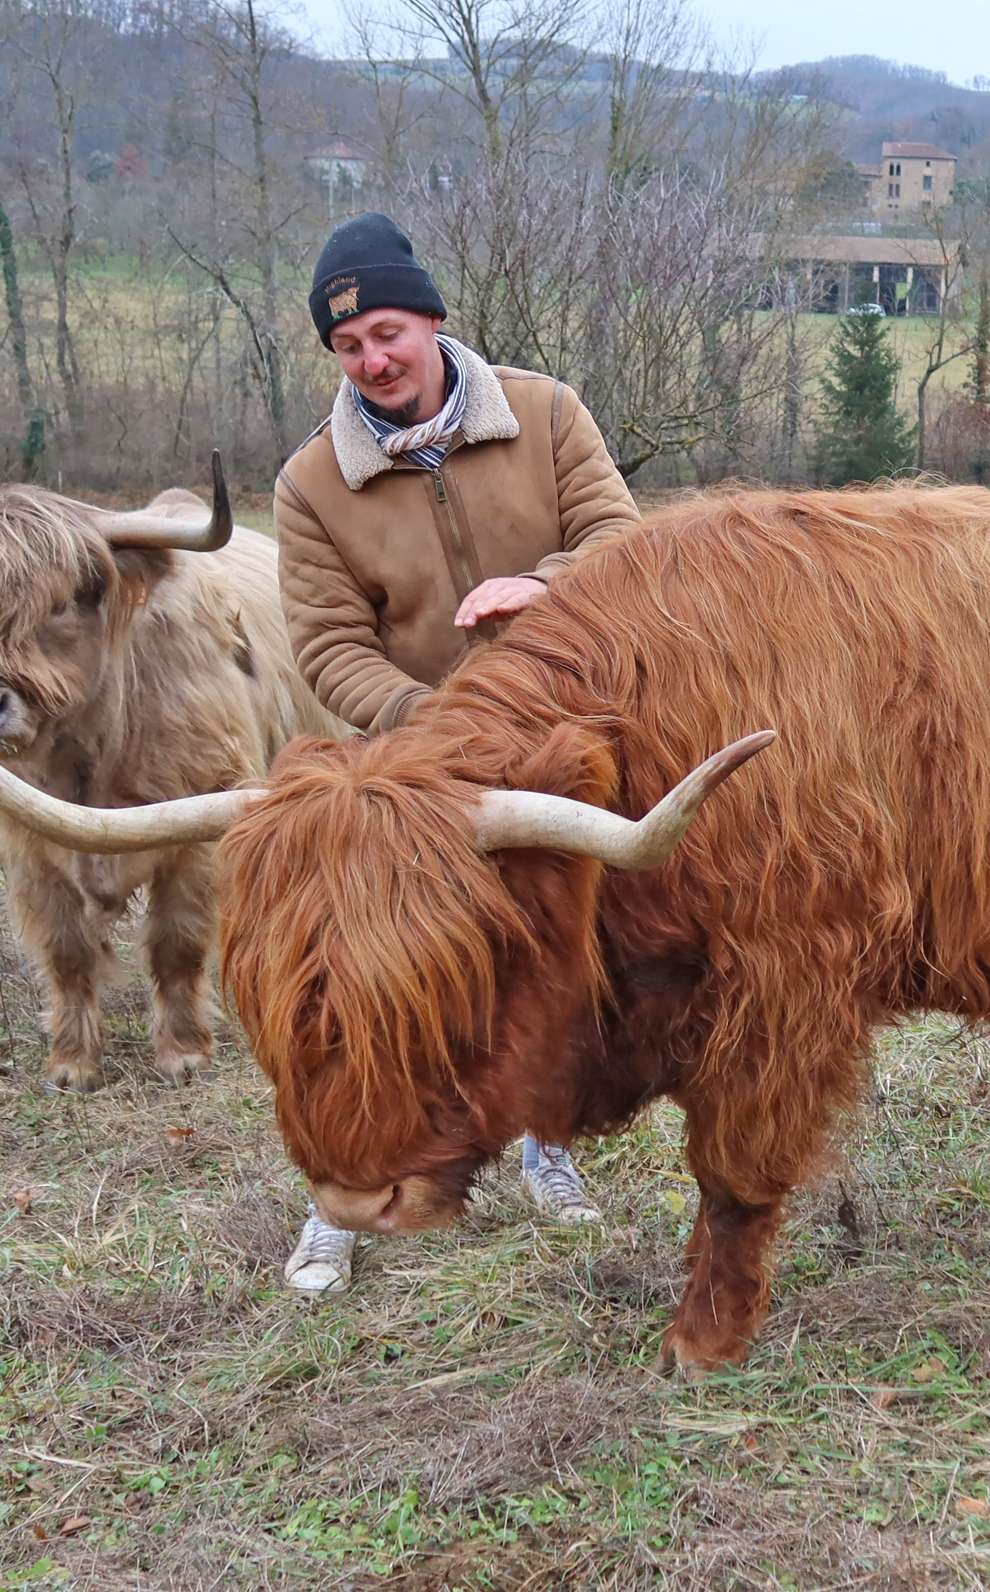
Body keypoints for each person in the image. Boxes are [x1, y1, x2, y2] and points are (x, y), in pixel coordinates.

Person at [273, 212, 641, 1293]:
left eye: (386, 331)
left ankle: (549, 1144)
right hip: (409, 774)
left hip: (563, 747)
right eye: (348, 347)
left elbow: (625, 542)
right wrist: (424, 735)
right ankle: (334, 1202)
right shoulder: (312, 486)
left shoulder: (544, 413)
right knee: (368, 988)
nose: (373, 359)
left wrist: (550, 584)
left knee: (562, 959)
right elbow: (328, 645)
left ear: (431, 319)